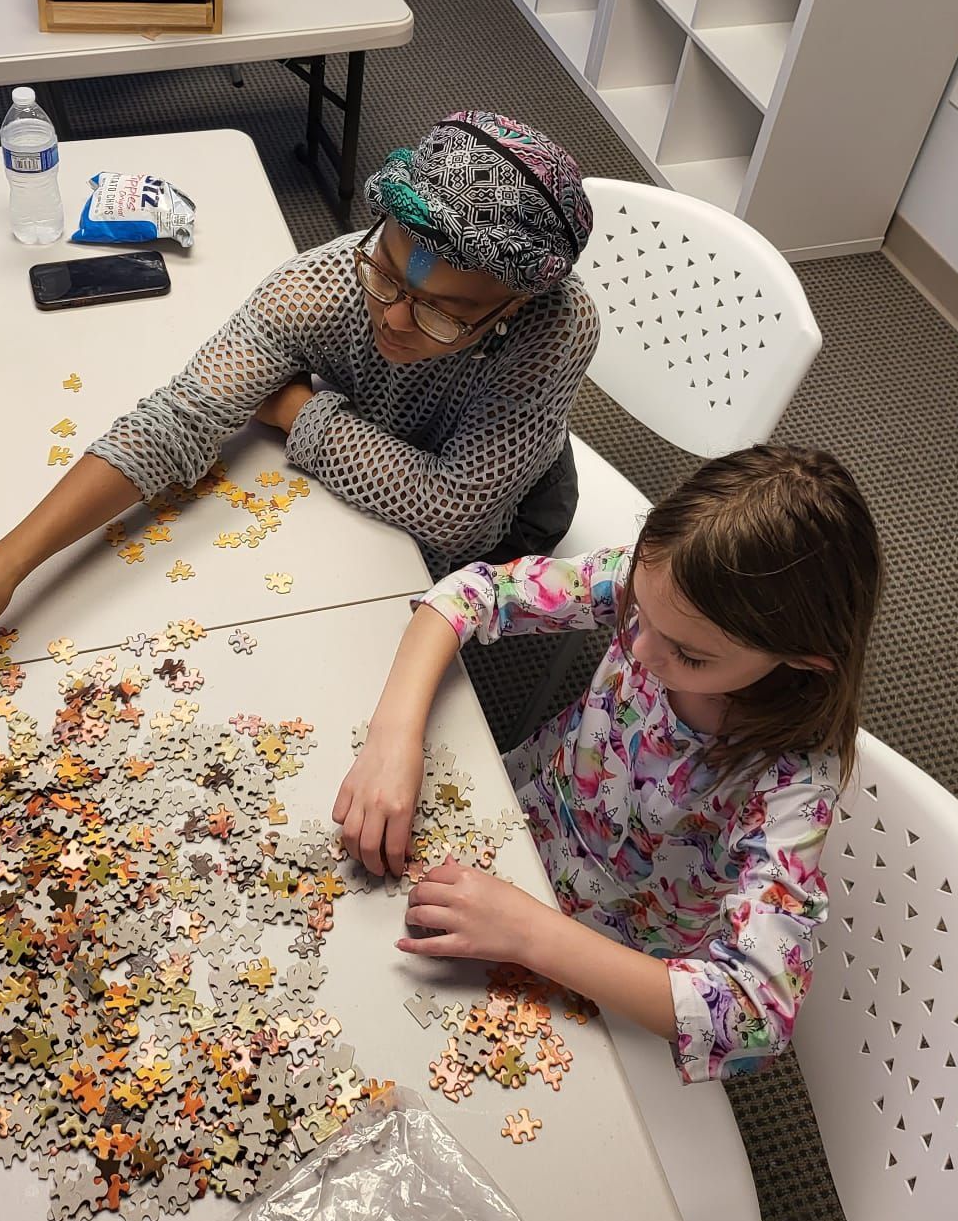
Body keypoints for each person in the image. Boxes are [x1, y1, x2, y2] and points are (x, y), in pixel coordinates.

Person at [0, 111, 600, 688]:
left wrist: (297, 412)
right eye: (384, 274)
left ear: (512, 306)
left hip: (512, 516)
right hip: (379, 456)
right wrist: (6, 561)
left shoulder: (559, 327)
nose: (393, 319)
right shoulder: (320, 285)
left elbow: (458, 517)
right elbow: (177, 420)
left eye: (441, 313)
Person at [334, 445, 883, 1083]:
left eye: (689, 655)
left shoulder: (794, 784)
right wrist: (393, 739)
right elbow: (475, 592)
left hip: (606, 955)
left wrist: (528, 934)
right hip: (515, 819)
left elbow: (755, 1017)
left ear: (800, 659)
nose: (641, 649)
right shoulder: (658, 593)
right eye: (640, 615)